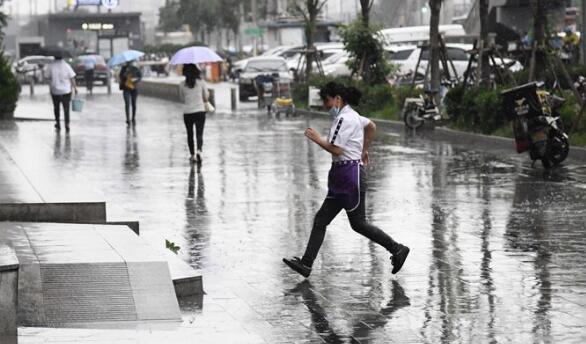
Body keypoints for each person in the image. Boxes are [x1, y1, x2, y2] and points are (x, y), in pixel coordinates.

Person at [283, 82, 410, 278]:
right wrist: (364, 149)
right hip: (342, 177)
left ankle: (397, 249)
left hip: (349, 177)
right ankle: (306, 264)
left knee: (358, 223)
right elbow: (372, 126)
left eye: (327, 101)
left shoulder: (345, 118)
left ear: (338, 99)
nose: (326, 105)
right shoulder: (355, 117)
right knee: (322, 220)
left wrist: (317, 138)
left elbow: (337, 149)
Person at [179, 64, 209, 163]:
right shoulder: (201, 83)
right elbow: (206, 97)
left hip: (188, 112)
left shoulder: (182, 84)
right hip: (200, 111)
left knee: (190, 134)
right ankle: (199, 151)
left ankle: (192, 155)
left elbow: (182, 99)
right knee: (199, 134)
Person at [47, 52, 77, 132]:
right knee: (66, 109)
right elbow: (72, 78)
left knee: (56, 108)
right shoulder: (67, 66)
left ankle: (58, 123)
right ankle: (67, 124)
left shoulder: (50, 66)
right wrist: (75, 88)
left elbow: (48, 78)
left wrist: (50, 88)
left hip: (55, 91)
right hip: (66, 91)